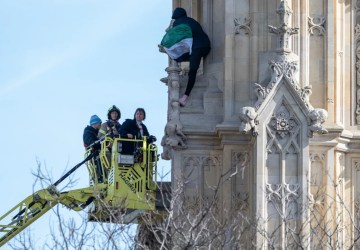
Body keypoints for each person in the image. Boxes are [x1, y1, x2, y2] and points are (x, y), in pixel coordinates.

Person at [171, 7, 211, 107]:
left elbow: (175, 39)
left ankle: (185, 97)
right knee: (186, 60)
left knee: (192, 71)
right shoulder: (191, 20)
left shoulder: (178, 23)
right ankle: (184, 69)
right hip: (206, 45)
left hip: (197, 47)